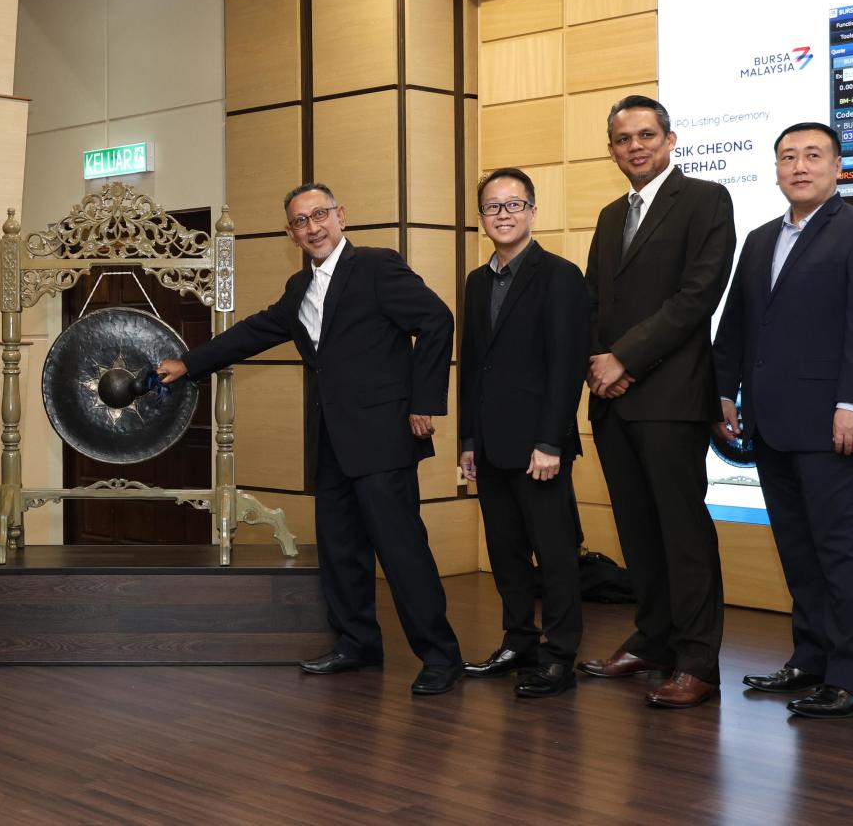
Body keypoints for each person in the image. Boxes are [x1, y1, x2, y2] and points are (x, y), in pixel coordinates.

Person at [158, 182, 463, 695]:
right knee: (341, 551)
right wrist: (189, 363)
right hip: (331, 441)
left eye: (319, 215)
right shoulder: (300, 288)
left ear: (341, 216)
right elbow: (253, 332)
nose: (312, 227)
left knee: (402, 551)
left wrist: (424, 402)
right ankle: (357, 645)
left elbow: (437, 320)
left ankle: (439, 657)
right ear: (290, 233)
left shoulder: (376, 266)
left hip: (383, 438)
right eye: (300, 221)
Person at [713, 123, 853, 719]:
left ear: (838, 166)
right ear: (774, 170)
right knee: (798, 549)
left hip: (832, 424)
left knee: (843, 551)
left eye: (813, 155)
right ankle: (811, 660)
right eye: (788, 157)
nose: (799, 166)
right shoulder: (761, 237)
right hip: (769, 424)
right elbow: (740, 326)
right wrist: (723, 391)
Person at [576, 95, 736, 709]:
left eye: (646, 135)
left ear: (671, 140)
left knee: (682, 532)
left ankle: (698, 661)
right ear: (612, 148)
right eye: (623, 138)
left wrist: (626, 360)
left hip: (670, 396)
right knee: (637, 532)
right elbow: (594, 302)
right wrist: (598, 368)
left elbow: (698, 296)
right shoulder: (611, 213)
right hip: (613, 400)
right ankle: (653, 638)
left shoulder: (705, 199)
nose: (635, 146)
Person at [457, 167, 589, 698]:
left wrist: (551, 441)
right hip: (489, 444)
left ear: (533, 212)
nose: (504, 215)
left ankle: (560, 656)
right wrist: (467, 440)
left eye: (514, 205)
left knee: (554, 554)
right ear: (482, 218)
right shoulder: (476, 281)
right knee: (505, 550)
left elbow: (566, 364)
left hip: (540, 445)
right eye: (493, 207)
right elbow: (471, 366)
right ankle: (519, 642)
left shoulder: (560, 275)